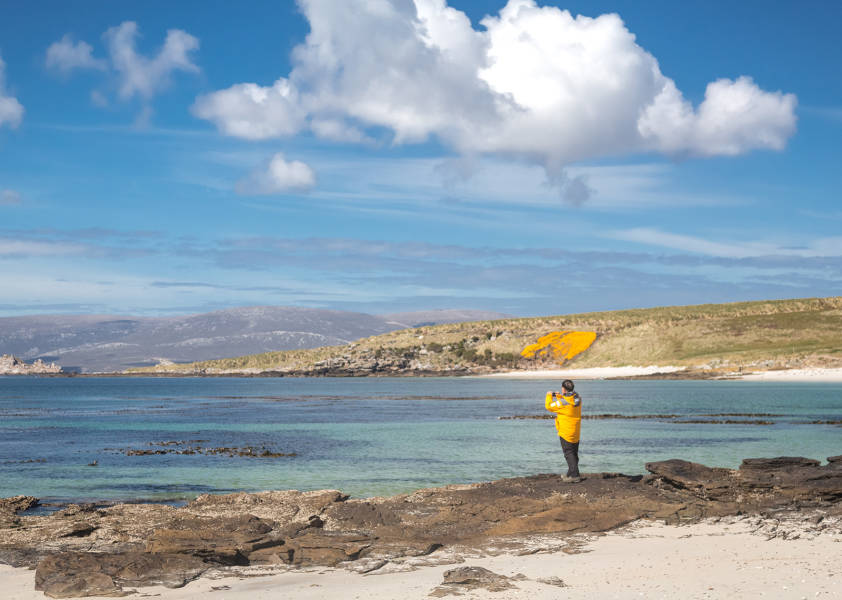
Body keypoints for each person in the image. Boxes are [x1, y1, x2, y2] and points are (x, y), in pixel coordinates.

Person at [545, 379, 582, 482]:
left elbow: (549, 406)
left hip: (566, 432)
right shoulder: (578, 398)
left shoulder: (562, 403)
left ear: (563, 389)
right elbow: (567, 401)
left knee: (568, 453)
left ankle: (575, 476)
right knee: (574, 453)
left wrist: (549, 396)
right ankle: (570, 474)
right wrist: (559, 396)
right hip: (576, 430)